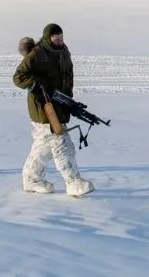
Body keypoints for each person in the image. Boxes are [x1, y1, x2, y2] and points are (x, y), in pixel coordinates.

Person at [12, 23, 95, 197]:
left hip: (59, 103)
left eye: (61, 37)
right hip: (43, 107)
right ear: (47, 37)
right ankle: (73, 182)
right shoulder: (37, 53)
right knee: (62, 144)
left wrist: (69, 102)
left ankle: (31, 179)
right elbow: (19, 77)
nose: (58, 40)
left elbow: (67, 77)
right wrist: (37, 85)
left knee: (43, 146)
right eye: (55, 37)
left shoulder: (63, 51)